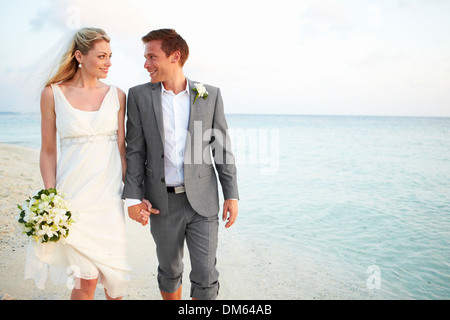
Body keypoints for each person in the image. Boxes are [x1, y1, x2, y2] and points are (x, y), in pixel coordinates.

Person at [123, 28, 239, 300]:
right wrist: (132, 197)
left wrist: (231, 195)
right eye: (145, 57)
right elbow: (135, 150)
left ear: (175, 56)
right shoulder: (138, 96)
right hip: (161, 203)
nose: (146, 64)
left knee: (206, 273)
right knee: (169, 269)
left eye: (152, 56)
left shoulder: (209, 95)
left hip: (204, 202)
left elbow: (222, 151)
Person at [26, 27, 130, 300]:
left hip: (109, 200)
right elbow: (48, 150)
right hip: (73, 199)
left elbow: (122, 149)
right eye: (102, 56)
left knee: (115, 281)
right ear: (79, 56)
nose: (109, 62)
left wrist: (135, 194)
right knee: (85, 281)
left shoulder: (117, 95)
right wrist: (50, 196)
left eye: (110, 56)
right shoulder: (52, 94)